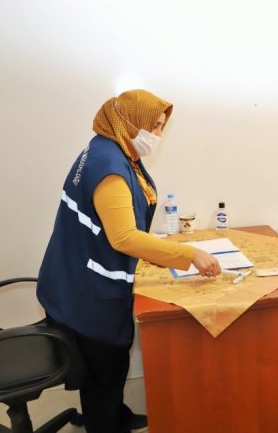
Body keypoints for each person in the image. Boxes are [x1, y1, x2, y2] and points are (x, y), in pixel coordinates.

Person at [37, 89, 221, 433]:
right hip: (86, 291)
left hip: (73, 275)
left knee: (107, 368)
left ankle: (115, 415)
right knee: (105, 368)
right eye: (154, 125)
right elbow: (122, 237)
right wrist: (190, 255)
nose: (158, 133)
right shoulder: (108, 167)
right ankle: (106, 425)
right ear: (130, 122)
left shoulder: (107, 148)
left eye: (162, 126)